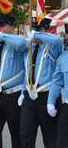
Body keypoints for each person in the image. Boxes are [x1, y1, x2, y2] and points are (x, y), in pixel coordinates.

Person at [0, 14, 28, 148]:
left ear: (12, 27)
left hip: (13, 95)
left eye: (2, 26)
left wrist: (3, 36)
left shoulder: (18, 42)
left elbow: (22, 44)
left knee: (16, 134)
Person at [19, 17, 63, 148]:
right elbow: (27, 72)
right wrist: (22, 92)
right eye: (35, 31)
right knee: (25, 136)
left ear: (47, 31)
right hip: (29, 97)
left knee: (50, 138)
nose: (36, 35)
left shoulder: (53, 46)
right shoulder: (30, 47)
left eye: (40, 31)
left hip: (46, 96)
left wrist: (38, 35)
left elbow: (56, 39)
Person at [47, 23, 68, 148]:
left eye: (66, 34)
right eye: (65, 34)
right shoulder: (63, 57)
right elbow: (57, 81)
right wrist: (51, 101)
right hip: (66, 106)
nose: (65, 37)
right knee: (62, 142)